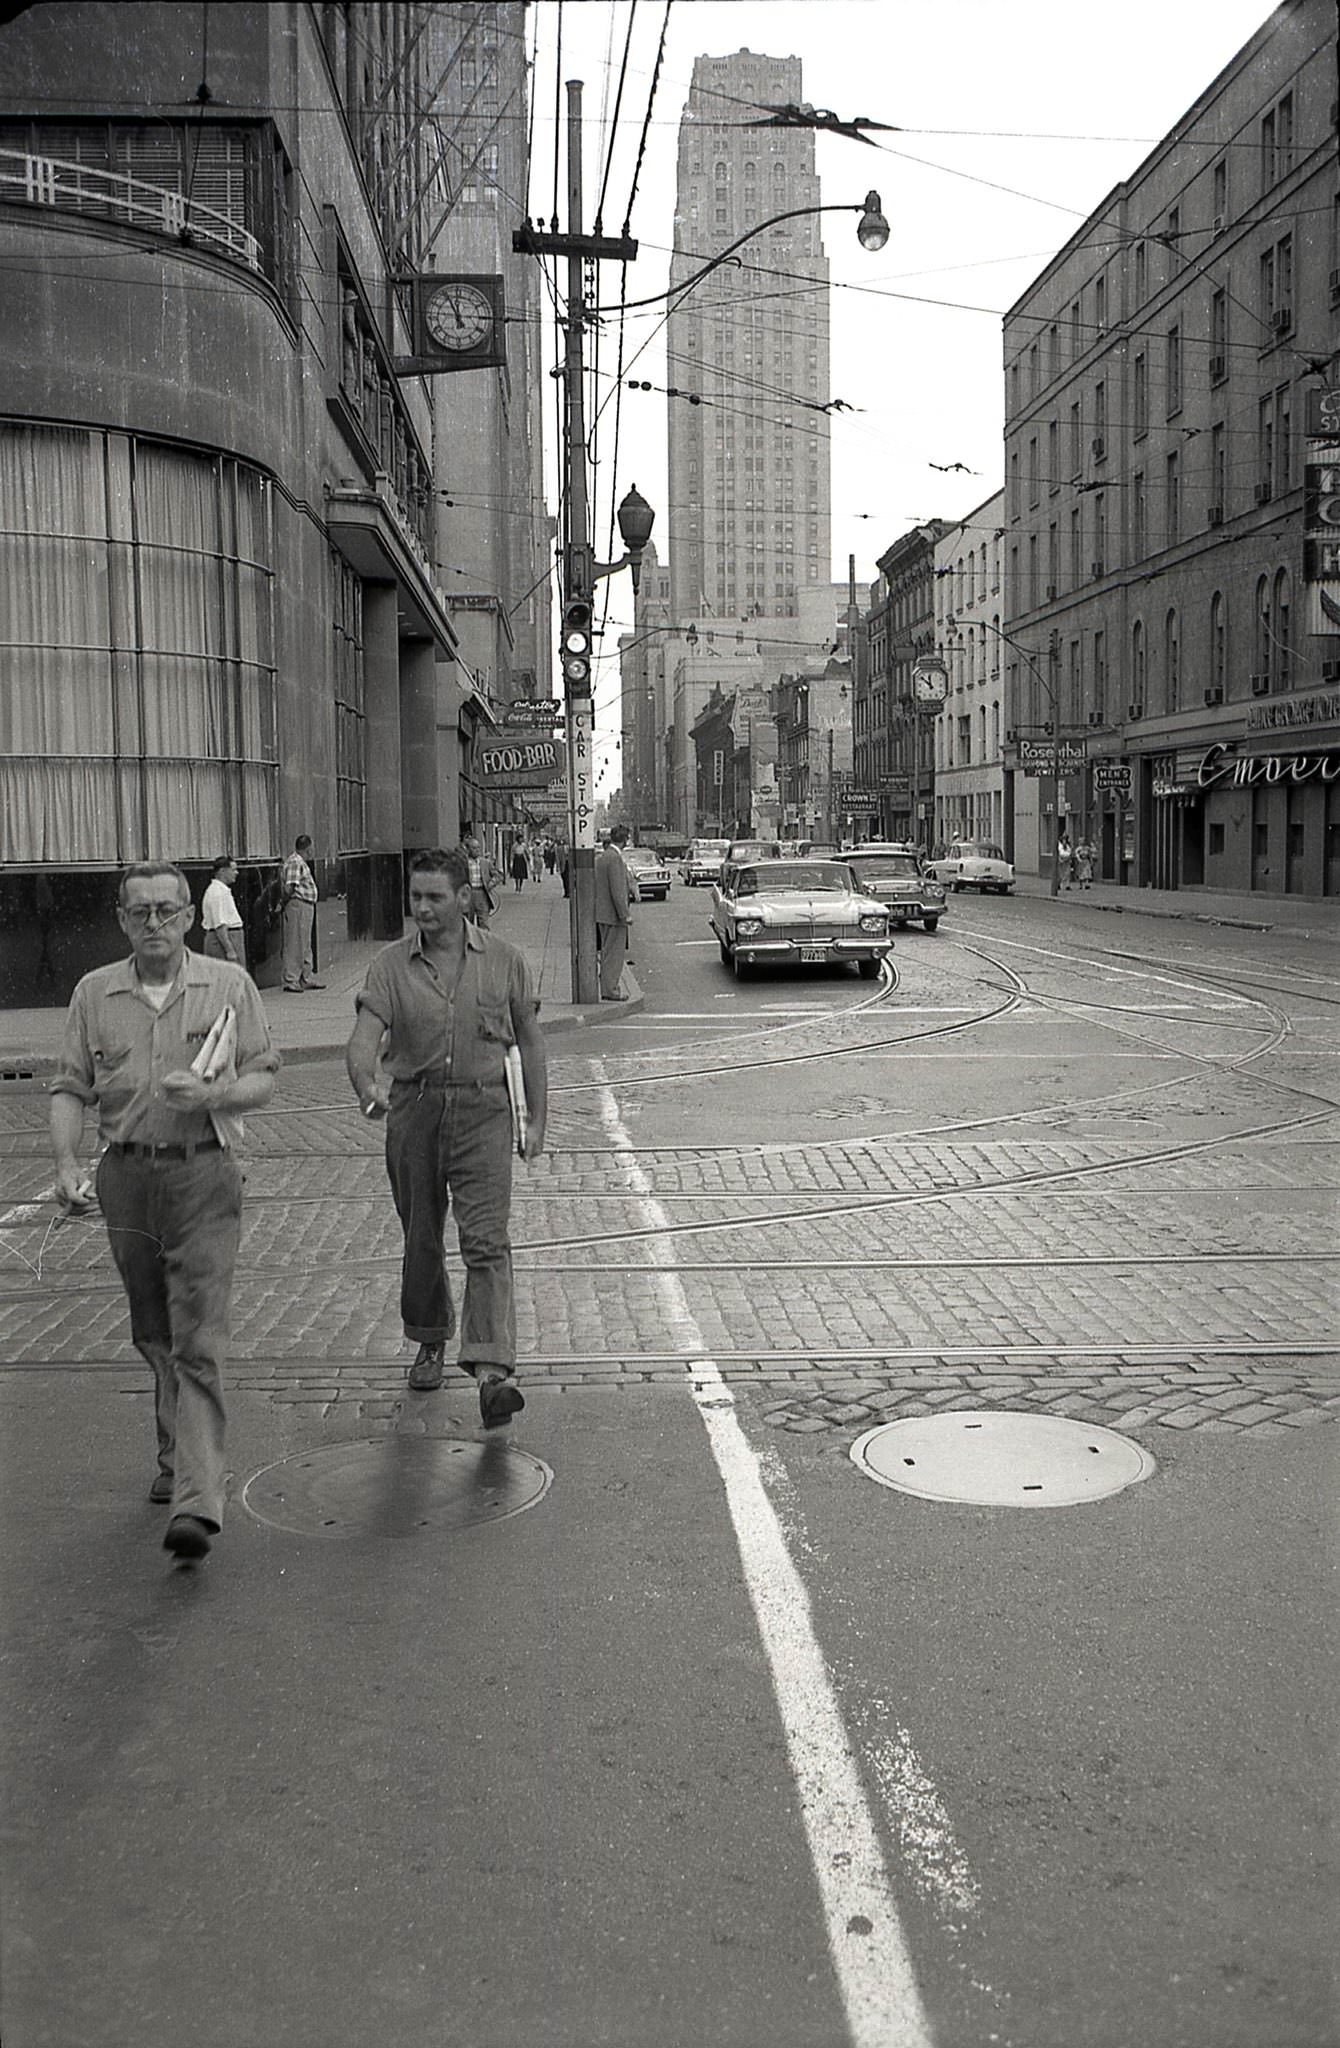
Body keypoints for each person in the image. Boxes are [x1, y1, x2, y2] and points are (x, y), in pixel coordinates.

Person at [49, 861, 278, 1561]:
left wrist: (213, 1097)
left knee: (199, 1337)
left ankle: (197, 1502)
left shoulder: (229, 986)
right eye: (140, 912)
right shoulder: (94, 994)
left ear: (190, 917)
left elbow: (264, 1076)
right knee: (154, 1331)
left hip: (204, 1174)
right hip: (127, 1180)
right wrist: (64, 1163)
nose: (155, 924)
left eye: (168, 911)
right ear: (121, 919)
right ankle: (175, 1450)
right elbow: (68, 1087)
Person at [345, 847, 547, 1419]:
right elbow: (364, 1038)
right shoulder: (389, 966)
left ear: (464, 897)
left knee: (487, 1240)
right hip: (414, 1110)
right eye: (416, 898)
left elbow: (530, 1041)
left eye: (435, 897)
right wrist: (367, 1084)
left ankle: (491, 1370)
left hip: (485, 1111)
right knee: (422, 1238)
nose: (423, 909)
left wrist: (536, 1118)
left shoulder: (505, 959)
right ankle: (430, 1336)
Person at [280, 834, 326, 990]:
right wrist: (284, 902)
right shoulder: (295, 862)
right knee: (296, 942)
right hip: (298, 905)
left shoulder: (300, 862)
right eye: (312, 848)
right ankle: (291, 979)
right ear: (308, 848)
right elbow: (289, 887)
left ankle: (305, 976)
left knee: (304, 943)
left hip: (305, 905)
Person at [594, 823, 633, 1001]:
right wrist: (625, 914)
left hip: (603, 913)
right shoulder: (615, 859)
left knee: (607, 952)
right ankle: (610, 990)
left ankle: (607, 987)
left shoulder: (603, 857)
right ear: (625, 840)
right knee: (614, 955)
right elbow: (617, 890)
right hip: (613, 916)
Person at [201, 855, 246, 966]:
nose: (237, 873)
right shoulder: (217, 893)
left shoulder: (222, 890)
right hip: (225, 939)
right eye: (233, 870)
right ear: (222, 871)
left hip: (232, 937)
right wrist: (229, 950)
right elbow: (220, 925)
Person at [464, 834, 498, 928]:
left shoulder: (485, 862)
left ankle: (483, 941)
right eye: (474, 848)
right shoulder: (464, 863)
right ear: (468, 849)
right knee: (467, 923)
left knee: (484, 922)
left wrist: (492, 882)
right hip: (468, 894)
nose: (477, 850)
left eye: (478, 847)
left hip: (482, 893)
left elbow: (497, 874)